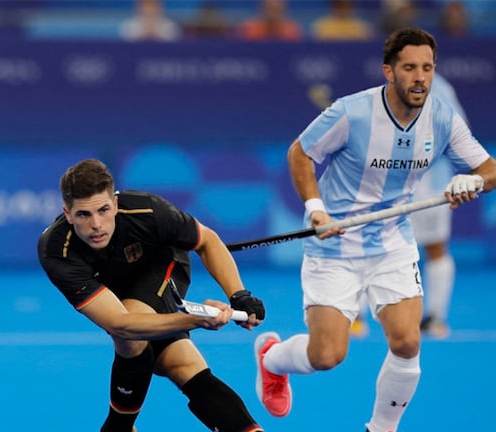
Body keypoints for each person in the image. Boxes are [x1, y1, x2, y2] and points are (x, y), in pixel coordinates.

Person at [254, 28, 496, 432]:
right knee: (327, 356)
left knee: (407, 342)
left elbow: (488, 168)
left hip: (392, 244)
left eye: (427, 68)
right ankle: (272, 358)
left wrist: (471, 181)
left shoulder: (441, 119)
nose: (420, 77)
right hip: (333, 244)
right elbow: (300, 153)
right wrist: (315, 210)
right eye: (409, 68)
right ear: (389, 71)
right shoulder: (352, 112)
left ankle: (381, 428)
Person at [38, 159, 267, 432]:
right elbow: (118, 322)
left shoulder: (147, 211)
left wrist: (238, 294)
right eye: (84, 215)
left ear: (116, 203)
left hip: (160, 268)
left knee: (132, 340)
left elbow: (206, 241)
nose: (97, 224)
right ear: (67, 213)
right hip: (113, 297)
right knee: (180, 363)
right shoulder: (57, 250)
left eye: (103, 210)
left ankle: (118, 427)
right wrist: (195, 319)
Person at [352, 72, 468, 340]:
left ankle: (435, 318)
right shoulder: (384, 92)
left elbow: (457, 134)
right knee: (368, 243)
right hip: (389, 185)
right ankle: (356, 316)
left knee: (435, 246)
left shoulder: (440, 90)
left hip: (430, 186)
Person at [234, 0, 304, 41]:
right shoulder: (249, 29)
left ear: (284, 11)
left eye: (276, 10)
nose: (272, 14)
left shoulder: (292, 29)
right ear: (262, 10)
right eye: (269, 9)